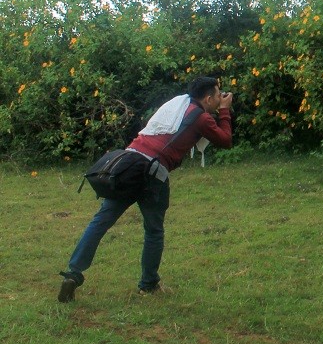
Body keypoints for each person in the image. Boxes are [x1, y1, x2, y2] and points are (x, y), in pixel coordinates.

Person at [57, 76, 234, 302]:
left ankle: (73, 273)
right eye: (219, 95)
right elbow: (226, 140)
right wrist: (225, 111)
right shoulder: (201, 118)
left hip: (128, 166)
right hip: (153, 173)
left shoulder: (176, 105)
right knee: (153, 230)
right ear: (208, 98)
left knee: (101, 221)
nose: (221, 98)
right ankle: (148, 284)